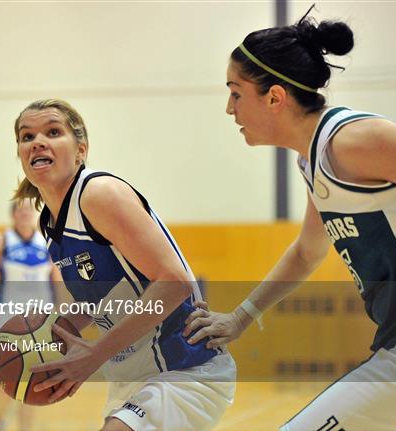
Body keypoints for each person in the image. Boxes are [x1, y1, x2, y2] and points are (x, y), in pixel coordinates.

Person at [183, 10, 396, 431]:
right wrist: (240, 317)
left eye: (236, 93)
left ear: (275, 97)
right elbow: (307, 252)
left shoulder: (354, 141)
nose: (228, 108)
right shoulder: (317, 159)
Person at [12, 99, 236, 431]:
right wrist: (46, 335)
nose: (38, 142)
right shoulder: (50, 222)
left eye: (53, 131)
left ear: (81, 150)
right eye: (26, 136)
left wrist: (94, 353)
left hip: (184, 368)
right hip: (131, 377)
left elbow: (174, 282)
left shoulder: (98, 193)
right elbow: (101, 300)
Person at [0, 199, 63, 431]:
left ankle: (26, 428)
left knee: (35, 377)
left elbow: (58, 281)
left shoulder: (46, 241)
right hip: (7, 318)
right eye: (20, 210)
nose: (25, 213)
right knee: (5, 372)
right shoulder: (1, 241)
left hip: (39, 319)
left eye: (28, 210)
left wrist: (63, 316)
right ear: (13, 215)